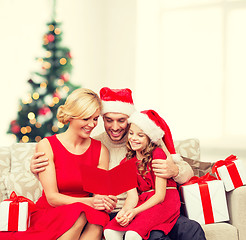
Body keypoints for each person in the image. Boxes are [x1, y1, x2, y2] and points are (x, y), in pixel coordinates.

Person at [30, 87, 206, 240]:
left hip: (153, 207)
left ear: (130, 120)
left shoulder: (149, 141)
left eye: (121, 120)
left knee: (190, 229)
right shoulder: (98, 145)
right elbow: (84, 181)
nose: (115, 127)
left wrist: (174, 170)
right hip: (119, 211)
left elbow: (185, 172)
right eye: (108, 120)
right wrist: (38, 170)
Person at [0, 88, 114, 240]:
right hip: (53, 212)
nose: (92, 124)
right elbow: (52, 198)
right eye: (86, 118)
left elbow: (98, 196)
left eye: (95, 119)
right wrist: (91, 202)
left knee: (97, 218)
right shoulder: (48, 145)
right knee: (81, 213)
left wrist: (104, 201)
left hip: (87, 212)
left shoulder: (100, 150)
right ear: (70, 117)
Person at [104, 109, 181, 240]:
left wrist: (134, 212)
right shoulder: (125, 162)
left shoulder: (158, 154)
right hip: (143, 202)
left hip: (164, 202)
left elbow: (160, 196)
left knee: (132, 234)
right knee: (110, 231)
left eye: (140, 135)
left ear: (149, 138)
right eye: (131, 133)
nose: (133, 138)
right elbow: (132, 197)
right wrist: (125, 212)